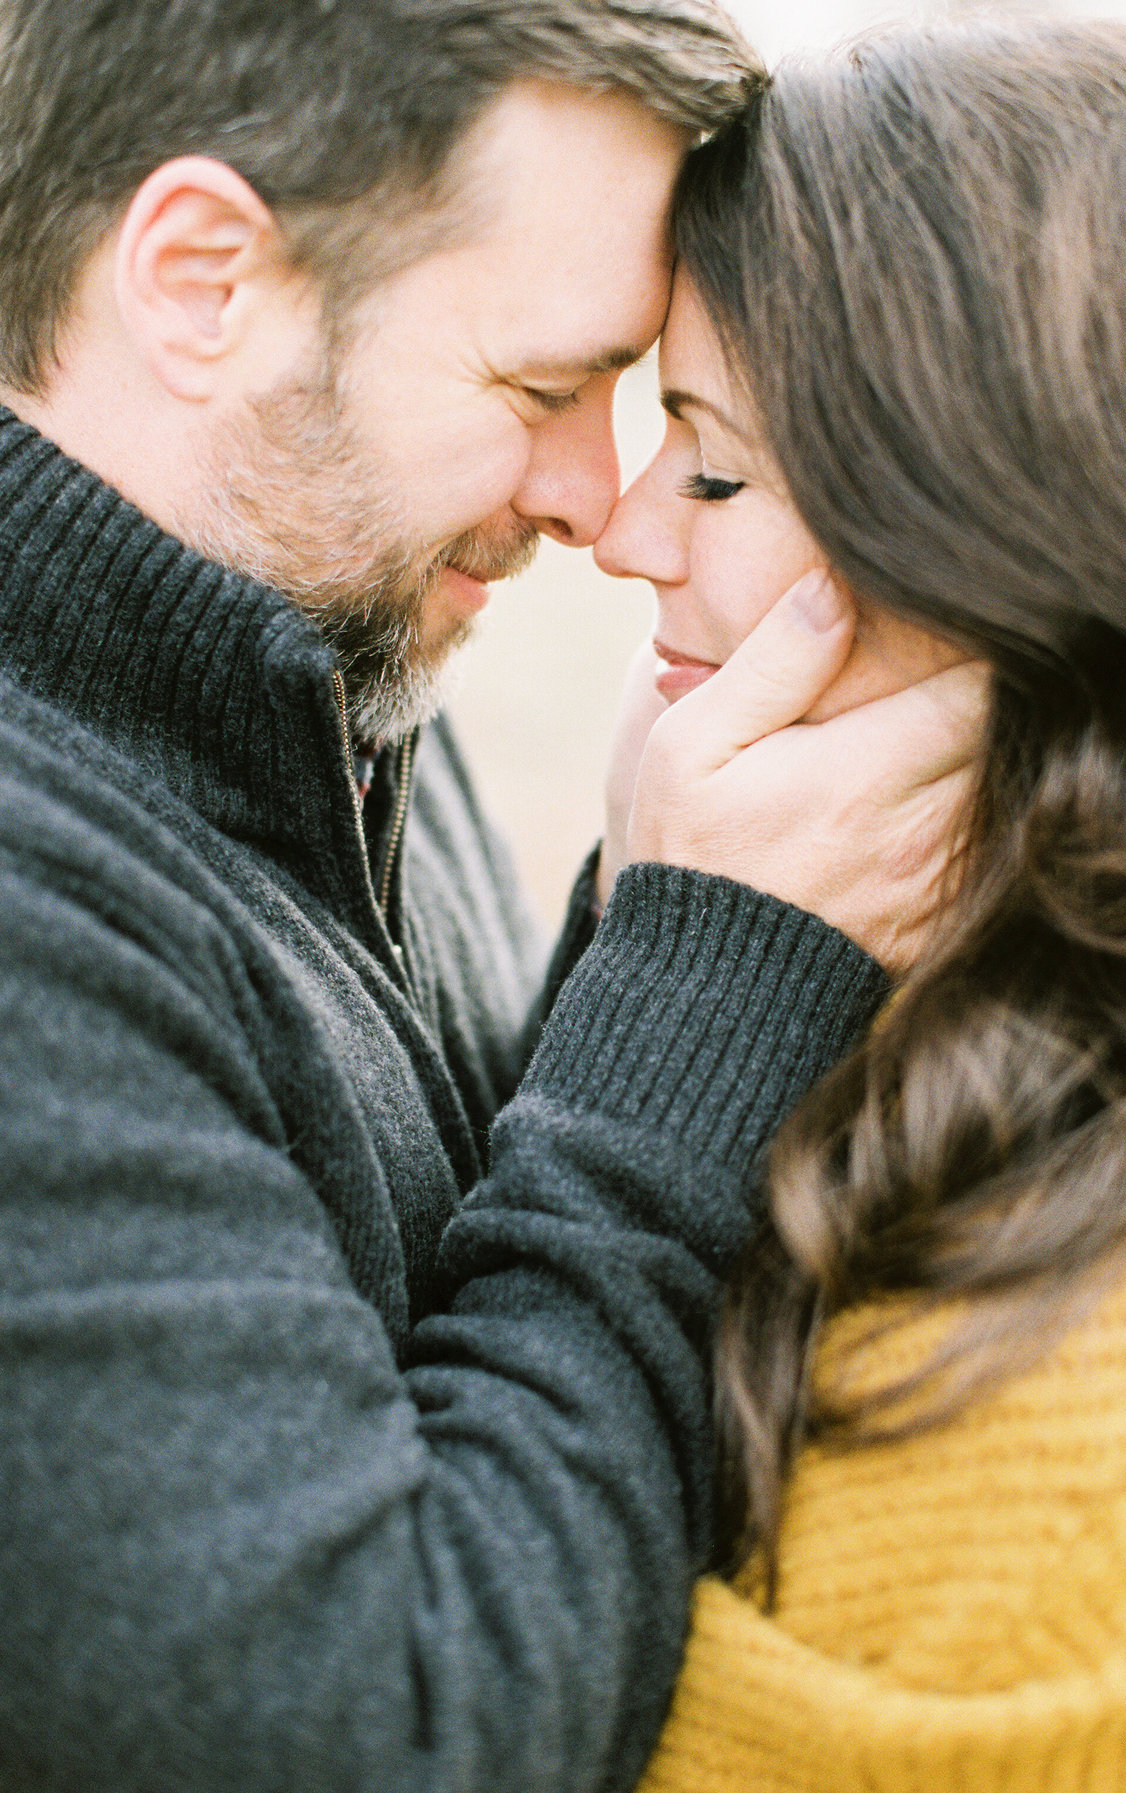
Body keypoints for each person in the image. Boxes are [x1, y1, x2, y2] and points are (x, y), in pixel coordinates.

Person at [0, 3, 983, 1788]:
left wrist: (661, 892)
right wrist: (696, 990)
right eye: (542, 390)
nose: (595, 496)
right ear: (205, 278)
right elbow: (380, 1740)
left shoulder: (317, 657)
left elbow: (442, 1292)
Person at [594, 16, 1126, 1789]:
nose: (628, 531)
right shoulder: (899, 1052)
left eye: (708, 464)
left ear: (994, 551)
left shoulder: (1090, 1471)